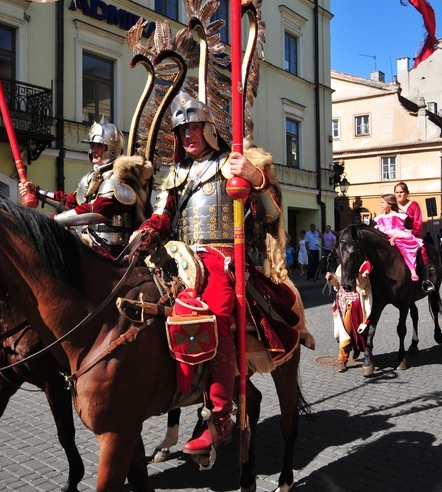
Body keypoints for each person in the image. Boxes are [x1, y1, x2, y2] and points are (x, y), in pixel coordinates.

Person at [132, 92, 283, 455]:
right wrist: (150, 228)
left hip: (221, 254)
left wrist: (255, 179)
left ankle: (220, 415)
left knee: (214, 315)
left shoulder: (227, 165)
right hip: (179, 256)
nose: (188, 136)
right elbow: (164, 214)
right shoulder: (176, 172)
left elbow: (270, 215)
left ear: (210, 130)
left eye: (194, 128)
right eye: (182, 131)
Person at [19, 121, 152, 259]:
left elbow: (98, 210)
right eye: (92, 145)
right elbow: (70, 202)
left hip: (116, 253)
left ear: (112, 149)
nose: (93, 150)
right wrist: (38, 192)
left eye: (99, 146)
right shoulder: (91, 178)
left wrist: (52, 220)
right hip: (94, 245)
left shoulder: (121, 179)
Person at [374, 194, 425, 282]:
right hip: (384, 236)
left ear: (389, 204)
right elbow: (381, 227)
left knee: (404, 248)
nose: (380, 205)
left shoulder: (397, 215)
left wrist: (394, 237)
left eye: (382, 202)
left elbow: (399, 229)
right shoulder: (380, 217)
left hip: (396, 235)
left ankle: (413, 271)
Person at [394, 182, 434, 291]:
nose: (399, 194)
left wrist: (411, 235)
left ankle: (426, 279)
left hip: (411, 234)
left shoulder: (414, 205)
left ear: (407, 193)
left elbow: (418, 222)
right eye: (397, 192)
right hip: (395, 235)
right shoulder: (393, 205)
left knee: (422, 250)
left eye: (401, 192)